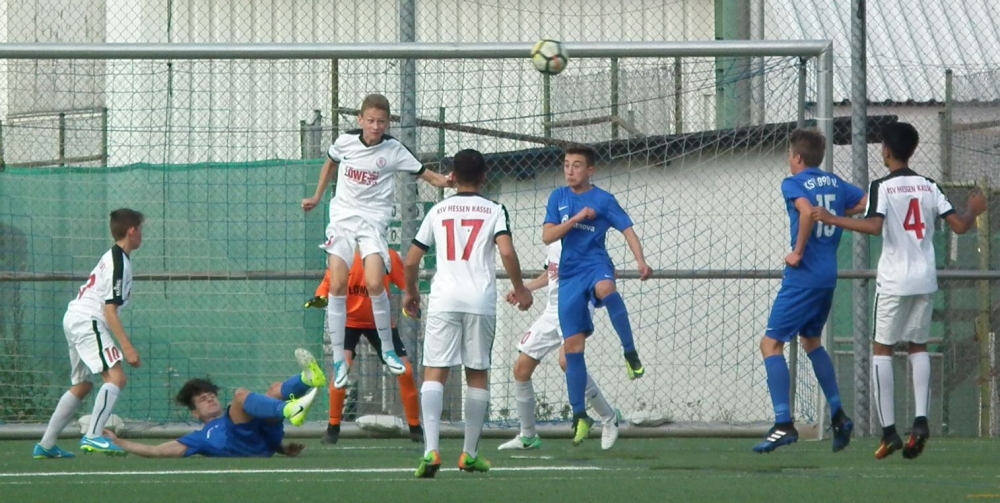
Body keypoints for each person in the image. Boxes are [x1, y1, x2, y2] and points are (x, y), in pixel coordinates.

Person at [813, 122, 987, 460]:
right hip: (925, 279)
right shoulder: (929, 185)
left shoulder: (882, 186)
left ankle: (890, 431)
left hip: (894, 281)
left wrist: (833, 219)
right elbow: (960, 226)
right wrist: (973, 209)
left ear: (886, 151)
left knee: (883, 350)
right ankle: (920, 422)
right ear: (912, 150)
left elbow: (874, 226)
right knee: (918, 346)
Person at [301, 93, 453, 390]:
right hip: (342, 220)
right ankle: (339, 361)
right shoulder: (345, 142)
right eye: (370, 121)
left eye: (381, 122)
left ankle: (388, 349)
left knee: (374, 283)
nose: (375, 126)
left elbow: (428, 175)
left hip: (373, 223)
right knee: (337, 284)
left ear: (387, 123)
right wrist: (318, 196)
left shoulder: (394, 150)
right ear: (360, 120)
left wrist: (448, 181)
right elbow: (330, 163)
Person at [402, 149, 532, 478]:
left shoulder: (438, 210)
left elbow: (411, 259)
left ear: (453, 177)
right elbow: (506, 251)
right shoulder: (495, 210)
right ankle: (469, 454)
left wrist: (411, 292)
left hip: (444, 299)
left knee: (435, 371)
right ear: (485, 176)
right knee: (476, 372)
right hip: (479, 301)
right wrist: (520, 289)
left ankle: (431, 451)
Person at [752, 129, 866, 454]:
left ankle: (783, 423)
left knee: (770, 344)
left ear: (798, 158)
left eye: (790, 156)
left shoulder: (793, 183)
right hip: (828, 276)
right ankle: (839, 414)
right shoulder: (835, 183)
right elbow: (864, 202)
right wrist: (839, 213)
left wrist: (798, 252)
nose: (789, 161)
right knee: (811, 341)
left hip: (803, 277)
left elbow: (805, 212)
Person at [542, 145, 652, 446]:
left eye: (577, 165)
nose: (570, 170)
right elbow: (547, 236)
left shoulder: (604, 199)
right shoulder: (558, 197)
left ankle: (630, 353)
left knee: (607, 289)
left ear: (590, 170)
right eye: (566, 165)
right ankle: (580, 415)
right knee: (572, 348)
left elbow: (627, 230)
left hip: (596, 265)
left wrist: (640, 261)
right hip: (569, 275)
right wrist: (576, 218)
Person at [34, 209, 145, 459]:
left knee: (82, 385)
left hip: (75, 317)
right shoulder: (119, 263)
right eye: (140, 229)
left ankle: (46, 445)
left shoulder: (115, 257)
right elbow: (109, 310)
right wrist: (127, 347)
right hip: (87, 320)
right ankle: (94, 435)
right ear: (132, 231)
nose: (142, 235)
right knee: (116, 377)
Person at [498, 240, 620, 452]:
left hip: (577, 306)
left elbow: (607, 271)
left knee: (567, 362)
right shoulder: (554, 240)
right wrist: (525, 288)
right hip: (553, 310)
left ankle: (608, 418)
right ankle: (528, 436)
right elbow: (551, 274)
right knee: (521, 369)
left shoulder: (584, 237)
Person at [103, 349, 326, 458]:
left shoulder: (237, 415)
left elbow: (260, 431)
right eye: (202, 399)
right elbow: (157, 451)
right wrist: (119, 442)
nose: (210, 398)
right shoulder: (200, 437)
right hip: (242, 448)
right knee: (241, 395)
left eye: (211, 395)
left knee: (275, 390)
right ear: (195, 414)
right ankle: (290, 408)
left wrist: (283, 449)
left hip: (263, 440)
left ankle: (308, 379)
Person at [304, 248, 422, 444]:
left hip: (380, 324)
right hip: (348, 323)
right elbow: (327, 284)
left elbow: (406, 284)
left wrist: (411, 300)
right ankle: (333, 427)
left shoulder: (386, 255)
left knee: (406, 371)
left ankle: (415, 427)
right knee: (341, 371)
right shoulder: (343, 255)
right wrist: (320, 297)